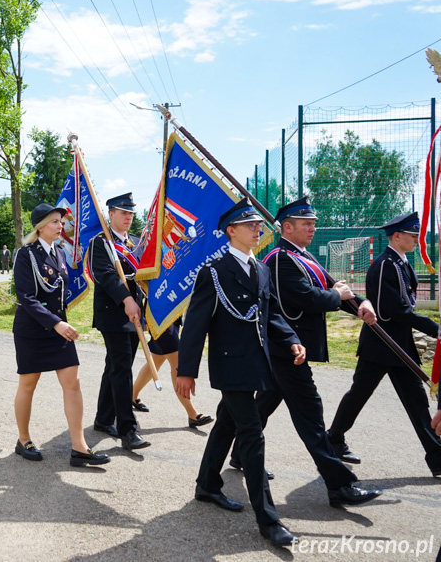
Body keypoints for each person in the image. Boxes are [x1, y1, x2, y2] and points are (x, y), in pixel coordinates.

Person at [228, 197, 381, 507]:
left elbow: (333, 286)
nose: (313, 228)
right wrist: (337, 296)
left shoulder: (302, 255)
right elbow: (307, 297)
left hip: (287, 348)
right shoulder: (280, 259)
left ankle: (239, 454)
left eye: (313, 223)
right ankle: (340, 485)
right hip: (285, 349)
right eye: (307, 224)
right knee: (311, 414)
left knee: (264, 405)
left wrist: (360, 303)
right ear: (287, 227)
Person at [175, 198, 306, 547]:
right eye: (249, 225)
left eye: (258, 224)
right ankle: (268, 520)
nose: (257, 228)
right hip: (230, 364)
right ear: (231, 231)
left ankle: (206, 485)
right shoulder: (214, 272)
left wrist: (291, 339)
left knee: (227, 423)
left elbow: (272, 313)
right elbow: (195, 326)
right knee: (252, 433)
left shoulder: (261, 269)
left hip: (257, 362)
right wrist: (186, 371)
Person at [327, 212, 441, 477]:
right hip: (382, 347)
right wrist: (436, 329)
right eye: (412, 236)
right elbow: (394, 312)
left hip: (399, 347)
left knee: (416, 401)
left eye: (417, 235)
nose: (416, 240)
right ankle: (333, 438)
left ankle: (436, 456)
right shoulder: (384, 265)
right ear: (397, 236)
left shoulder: (400, 263)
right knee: (358, 395)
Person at [12, 203, 109, 467]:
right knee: (28, 385)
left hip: (58, 328)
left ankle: (79, 447)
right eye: (55, 222)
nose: (60, 226)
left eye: (60, 221)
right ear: (40, 227)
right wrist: (56, 323)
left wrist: (60, 322)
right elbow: (26, 297)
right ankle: (23, 440)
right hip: (32, 330)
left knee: (73, 383)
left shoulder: (61, 253)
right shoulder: (25, 255)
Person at [89, 193, 150, 451]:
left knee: (114, 365)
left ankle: (103, 419)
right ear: (110, 214)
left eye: (131, 213)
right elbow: (104, 276)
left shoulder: (136, 243)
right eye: (123, 212)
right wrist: (126, 300)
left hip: (136, 314)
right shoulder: (101, 243)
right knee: (122, 367)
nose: (128, 217)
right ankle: (128, 429)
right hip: (113, 314)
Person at [131, 320, 213, 428]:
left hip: (171, 316)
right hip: (160, 316)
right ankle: (192, 414)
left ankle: (132, 395)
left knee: (157, 359)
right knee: (177, 363)